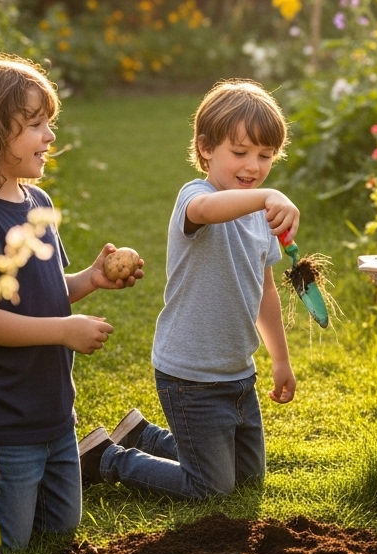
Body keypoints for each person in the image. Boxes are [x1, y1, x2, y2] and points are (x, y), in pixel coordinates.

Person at [0, 53, 143, 550]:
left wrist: (90, 278)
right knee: (3, 539)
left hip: (51, 412)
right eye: (36, 125)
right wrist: (64, 331)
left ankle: (9, 490)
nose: (50, 136)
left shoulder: (36, 203)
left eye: (49, 123)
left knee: (60, 525)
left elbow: (45, 290)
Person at [77, 79, 298, 499]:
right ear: (205, 148)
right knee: (211, 489)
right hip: (190, 376)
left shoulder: (258, 214)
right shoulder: (196, 197)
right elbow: (205, 211)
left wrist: (280, 360)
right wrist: (267, 195)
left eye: (265, 156)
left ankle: (142, 435)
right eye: (240, 152)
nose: (253, 166)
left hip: (237, 373)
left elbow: (266, 291)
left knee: (248, 480)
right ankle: (106, 457)